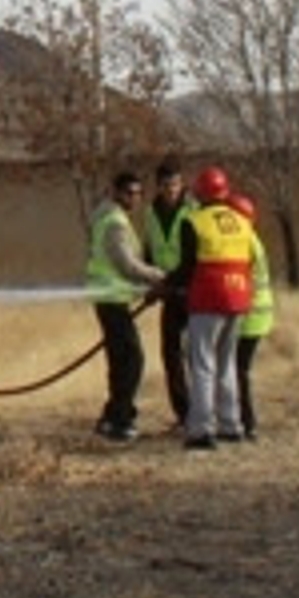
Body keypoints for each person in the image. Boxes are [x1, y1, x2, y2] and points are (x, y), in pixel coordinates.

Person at [165, 165, 255, 451]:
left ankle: (201, 430)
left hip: (208, 298)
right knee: (226, 362)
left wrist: (166, 285)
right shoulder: (242, 221)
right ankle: (232, 425)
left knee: (202, 363)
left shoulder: (194, 222)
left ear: (199, 194)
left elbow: (188, 267)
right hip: (239, 296)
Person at [85, 171, 164, 442]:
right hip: (112, 300)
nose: (134, 198)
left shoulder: (108, 217)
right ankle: (121, 420)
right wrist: (158, 277)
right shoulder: (115, 222)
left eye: (138, 193)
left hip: (112, 299)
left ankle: (112, 417)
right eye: (129, 193)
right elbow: (125, 264)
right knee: (132, 361)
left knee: (121, 362)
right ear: (116, 193)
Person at [144, 157, 196, 429]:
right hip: (168, 291)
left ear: (182, 183)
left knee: (197, 353)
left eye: (174, 184)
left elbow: (194, 255)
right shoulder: (151, 213)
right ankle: (183, 413)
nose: (170, 190)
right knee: (171, 353)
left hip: (192, 289)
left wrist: (175, 282)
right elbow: (150, 249)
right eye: (165, 185)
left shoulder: (193, 210)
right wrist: (152, 282)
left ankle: (203, 410)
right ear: (158, 186)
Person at [227, 193, 274, 442]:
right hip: (258, 314)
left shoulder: (243, 242)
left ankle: (246, 422)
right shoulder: (252, 239)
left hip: (249, 315)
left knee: (237, 369)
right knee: (237, 368)